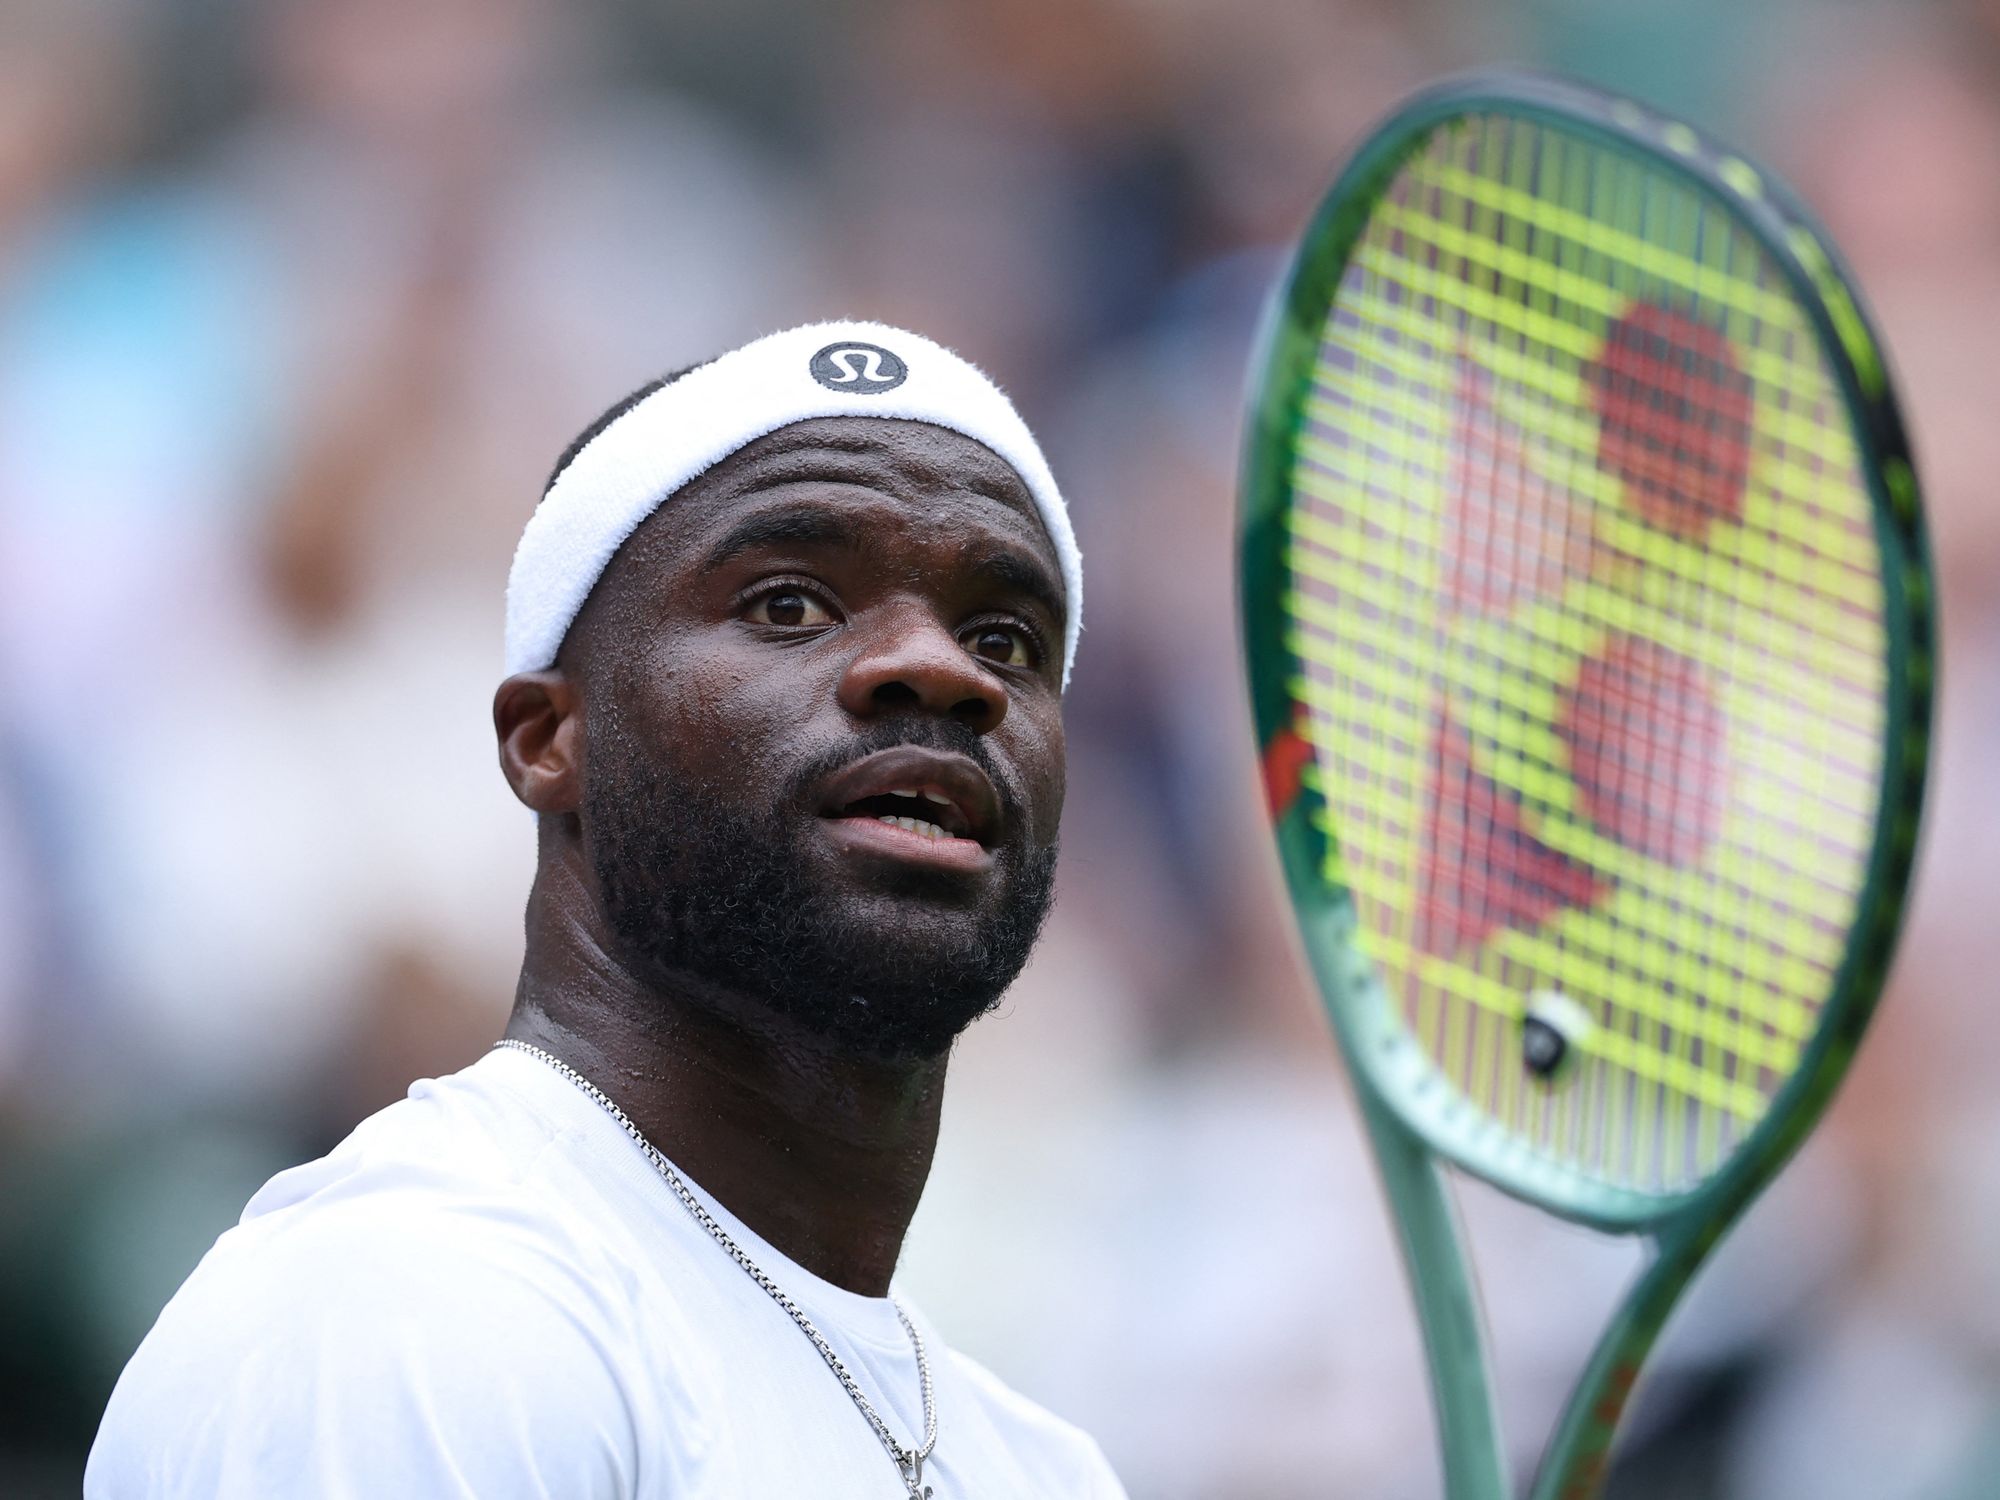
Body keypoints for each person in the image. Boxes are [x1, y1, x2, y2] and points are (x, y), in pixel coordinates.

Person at [85, 321, 1125, 1499]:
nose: (944, 671)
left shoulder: (1047, 1470)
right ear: (548, 741)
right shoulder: (414, 1308)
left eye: (1005, 637)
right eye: (789, 605)